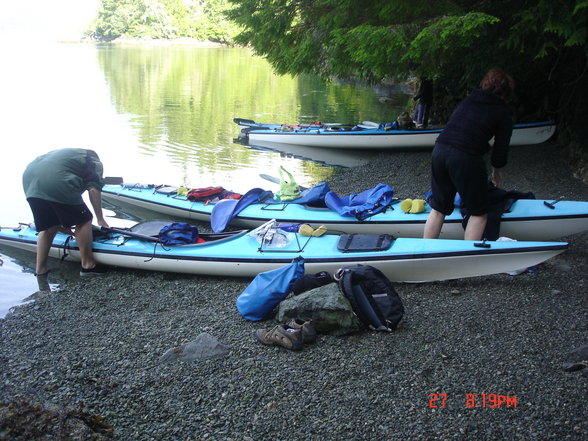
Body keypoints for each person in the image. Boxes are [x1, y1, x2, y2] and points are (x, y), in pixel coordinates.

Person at [423, 68, 515, 241]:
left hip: (440, 149)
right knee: (479, 213)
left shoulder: (468, 100)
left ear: (485, 84)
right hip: (465, 156)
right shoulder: (502, 112)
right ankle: (468, 260)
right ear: (507, 92)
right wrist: (496, 171)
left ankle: (424, 253)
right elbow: (501, 147)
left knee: (439, 208)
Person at [22, 148, 110, 277]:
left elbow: (61, 205)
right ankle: (88, 265)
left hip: (30, 181)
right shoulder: (93, 161)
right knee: (84, 219)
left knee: (48, 227)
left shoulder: (68, 156)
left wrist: (64, 223)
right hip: (56, 181)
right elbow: (93, 190)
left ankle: (40, 270)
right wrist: (100, 219)